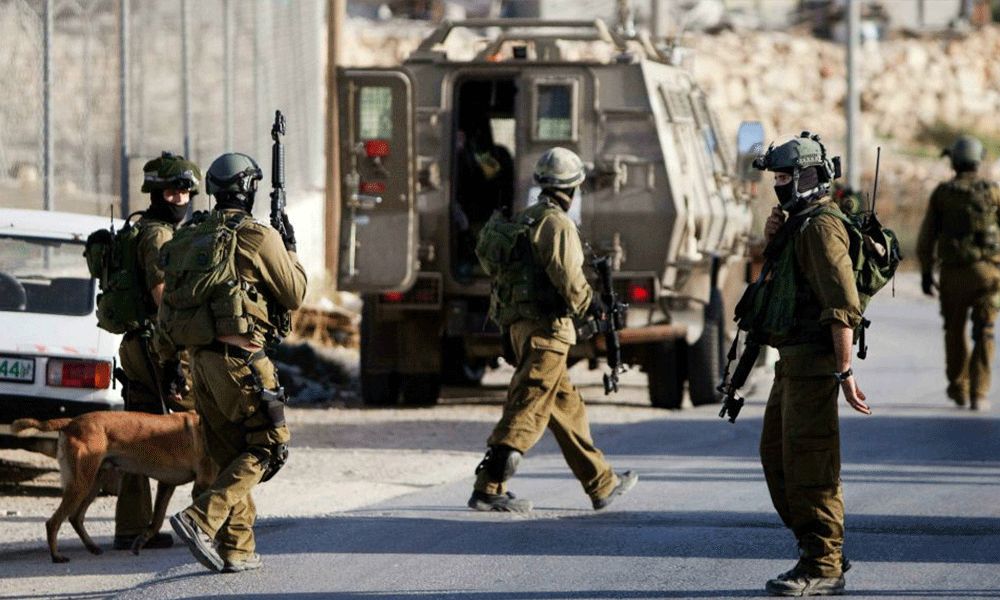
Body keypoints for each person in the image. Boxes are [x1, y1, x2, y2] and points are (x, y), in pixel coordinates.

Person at [469, 146, 637, 513]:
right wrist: (594, 305)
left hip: (523, 328)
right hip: (547, 333)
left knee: (566, 407)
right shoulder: (557, 224)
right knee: (527, 408)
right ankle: (489, 487)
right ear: (574, 187)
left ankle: (602, 483)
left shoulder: (527, 218)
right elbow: (570, 279)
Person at [164, 152, 306, 573]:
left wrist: (171, 361)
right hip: (241, 361)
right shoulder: (257, 236)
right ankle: (200, 519)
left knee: (230, 456)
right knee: (268, 446)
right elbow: (294, 293)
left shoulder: (190, 237)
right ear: (249, 190)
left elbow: (168, 305)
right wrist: (290, 249)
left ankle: (237, 548)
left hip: (199, 362)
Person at [749, 133, 871, 596]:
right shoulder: (798, 225)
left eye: (785, 177)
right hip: (791, 362)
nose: (779, 185)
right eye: (776, 177)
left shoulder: (821, 227)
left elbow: (842, 304)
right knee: (777, 457)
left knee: (811, 465)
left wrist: (845, 371)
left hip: (815, 364)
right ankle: (820, 549)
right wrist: (772, 240)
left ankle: (823, 565)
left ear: (807, 178)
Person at [113, 152, 199, 551]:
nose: (180, 198)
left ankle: (133, 526)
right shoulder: (159, 236)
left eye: (185, 191)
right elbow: (163, 295)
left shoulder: (144, 229)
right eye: (171, 192)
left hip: (138, 343)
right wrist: (176, 352)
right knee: (198, 425)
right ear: (155, 193)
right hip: (157, 344)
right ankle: (208, 519)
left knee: (135, 433)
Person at [916, 135, 1000, 411]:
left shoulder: (943, 194)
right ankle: (980, 392)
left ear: (953, 161)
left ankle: (958, 386)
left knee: (954, 331)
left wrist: (926, 272)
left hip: (952, 276)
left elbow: (926, 237)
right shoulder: (992, 192)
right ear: (978, 160)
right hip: (988, 274)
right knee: (985, 331)